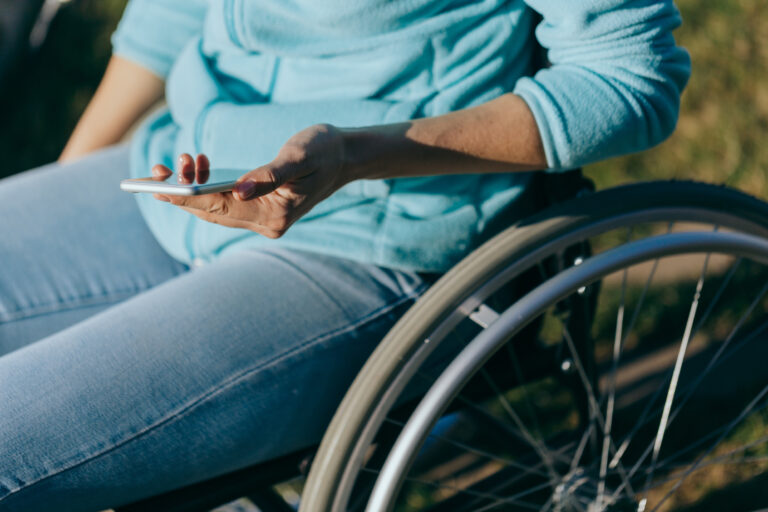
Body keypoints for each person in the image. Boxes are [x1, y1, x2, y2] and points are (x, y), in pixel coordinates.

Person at [0, 0, 690, 510]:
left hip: (372, 239)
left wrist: (357, 157)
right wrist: (68, 186)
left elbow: (629, 79)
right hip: (179, 168)